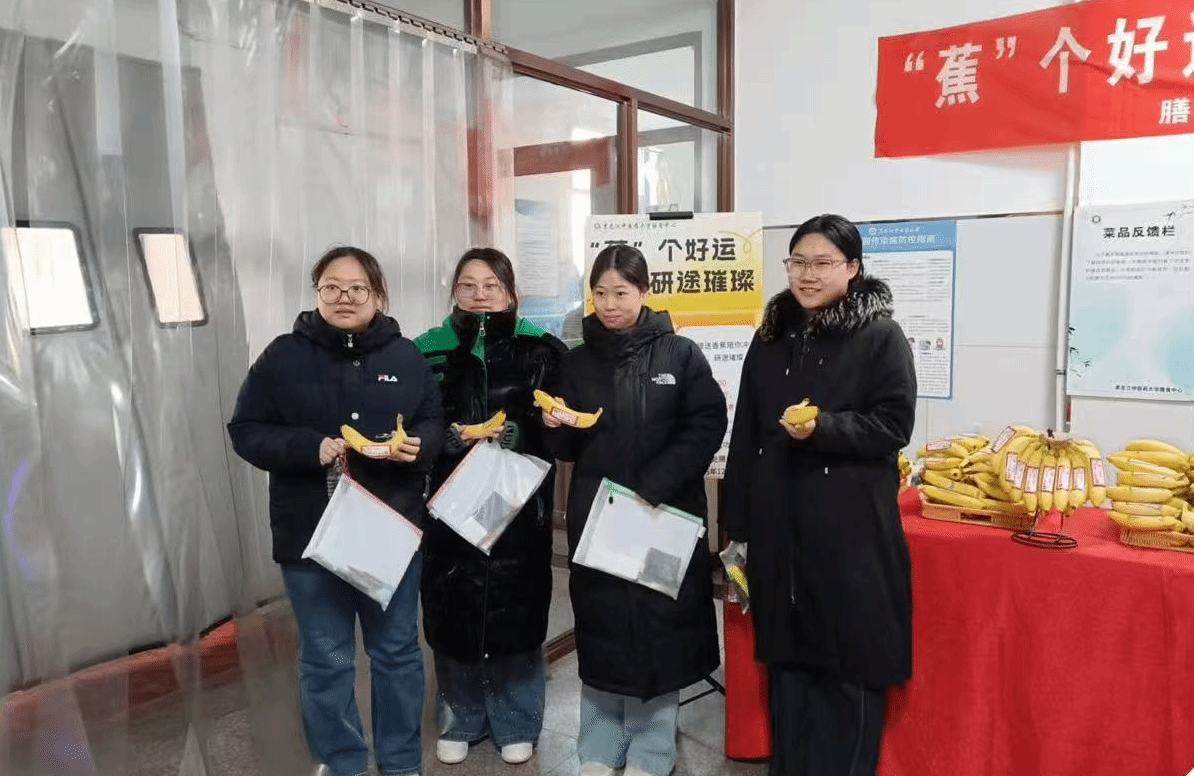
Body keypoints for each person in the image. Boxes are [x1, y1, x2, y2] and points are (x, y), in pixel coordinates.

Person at [228, 246, 444, 776]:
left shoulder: (405, 356)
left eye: (357, 288)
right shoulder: (283, 356)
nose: (344, 297)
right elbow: (246, 430)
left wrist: (419, 445)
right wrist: (309, 447)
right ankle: (341, 761)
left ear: (378, 295)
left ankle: (400, 762)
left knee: (396, 651)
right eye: (332, 287)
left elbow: (433, 421)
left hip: (390, 528)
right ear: (317, 292)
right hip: (310, 532)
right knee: (326, 658)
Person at [721, 214, 917, 776]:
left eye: (823, 263)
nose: (808, 275)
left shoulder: (880, 336)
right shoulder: (771, 336)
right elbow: (747, 430)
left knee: (847, 664)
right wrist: (738, 526)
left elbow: (894, 425)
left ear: (852, 268)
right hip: (779, 524)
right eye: (798, 262)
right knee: (788, 664)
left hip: (849, 529)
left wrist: (823, 428)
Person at [540, 244, 727, 776]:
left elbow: (707, 423)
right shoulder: (577, 363)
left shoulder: (679, 355)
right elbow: (567, 448)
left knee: (657, 633)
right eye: (599, 293)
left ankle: (652, 750)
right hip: (599, 518)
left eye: (620, 293)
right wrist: (554, 427)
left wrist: (656, 483)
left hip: (662, 516)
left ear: (644, 292)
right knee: (601, 630)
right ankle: (599, 747)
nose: (609, 304)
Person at [413, 247, 567, 766]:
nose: (480, 295)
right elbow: (412, 422)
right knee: (452, 609)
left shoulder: (542, 349)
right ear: (454, 291)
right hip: (450, 501)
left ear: (511, 293)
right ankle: (461, 717)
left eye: (491, 286)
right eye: (468, 285)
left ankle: (517, 719)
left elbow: (562, 427)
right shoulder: (426, 349)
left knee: (516, 611)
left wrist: (522, 432)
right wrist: (447, 438)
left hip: (519, 503)